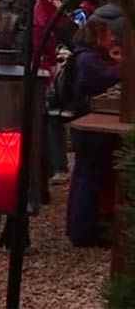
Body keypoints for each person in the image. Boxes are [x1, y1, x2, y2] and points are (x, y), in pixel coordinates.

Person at [67, 18, 121, 247]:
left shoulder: (84, 56)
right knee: (88, 177)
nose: (112, 38)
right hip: (88, 126)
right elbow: (109, 76)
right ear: (98, 36)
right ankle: (83, 231)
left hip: (83, 124)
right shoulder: (89, 59)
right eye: (108, 35)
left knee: (83, 175)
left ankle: (79, 227)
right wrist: (122, 65)